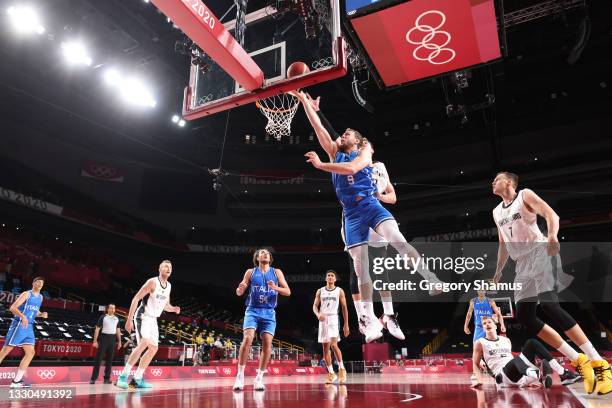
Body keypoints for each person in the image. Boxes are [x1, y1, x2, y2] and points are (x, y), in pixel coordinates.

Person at [295, 91, 441, 343]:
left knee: (398, 239)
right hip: (351, 215)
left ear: (360, 141)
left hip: (371, 207)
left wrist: (320, 166)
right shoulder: (333, 151)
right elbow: (318, 125)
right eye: (343, 133)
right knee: (362, 271)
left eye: (348, 133)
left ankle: (430, 279)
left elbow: (351, 169)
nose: (343, 134)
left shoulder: (364, 155)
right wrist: (303, 102)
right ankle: (370, 320)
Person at [491, 172, 610, 395]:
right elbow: (503, 245)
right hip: (521, 263)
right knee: (525, 316)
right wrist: (497, 274)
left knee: (549, 305)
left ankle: (599, 362)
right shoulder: (496, 211)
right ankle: (579, 360)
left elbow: (550, 214)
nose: (492, 182)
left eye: (497, 178)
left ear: (509, 182)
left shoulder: (524, 195)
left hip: (540, 251)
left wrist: (553, 236)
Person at [116, 260, 180, 389]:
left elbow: (165, 305)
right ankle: (122, 377)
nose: (168, 268)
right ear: (159, 269)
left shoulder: (169, 286)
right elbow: (136, 299)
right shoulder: (152, 282)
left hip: (153, 320)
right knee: (143, 343)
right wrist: (129, 320)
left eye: (170, 267)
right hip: (142, 316)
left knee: (153, 348)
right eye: (165, 266)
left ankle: (137, 379)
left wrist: (173, 309)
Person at [233, 249, 291, 391]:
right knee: (247, 339)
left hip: (269, 313)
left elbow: (288, 292)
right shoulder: (250, 272)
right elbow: (240, 290)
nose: (264, 254)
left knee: (267, 343)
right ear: (257, 257)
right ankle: (239, 376)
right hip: (252, 310)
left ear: (270, 258)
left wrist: (275, 287)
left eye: (267, 253)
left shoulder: (277, 272)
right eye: (261, 252)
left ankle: (259, 378)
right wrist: (239, 290)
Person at [471, 316, 576, 388]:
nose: (487, 324)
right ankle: (538, 374)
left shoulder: (506, 340)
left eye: (489, 322)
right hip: (503, 378)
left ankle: (562, 373)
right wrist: (479, 380)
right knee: (516, 360)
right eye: (484, 324)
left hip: (520, 376)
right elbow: (475, 363)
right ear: (483, 328)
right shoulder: (480, 342)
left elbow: (509, 358)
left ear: (495, 325)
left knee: (532, 342)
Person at [0, 276, 47, 387]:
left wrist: (41, 314)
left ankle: (16, 381)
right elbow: (12, 308)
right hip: (19, 325)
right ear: (33, 283)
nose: (40, 284)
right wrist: (23, 316)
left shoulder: (40, 297)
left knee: (31, 353)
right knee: (5, 352)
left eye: (42, 283)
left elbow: (34, 311)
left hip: (29, 327)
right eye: (38, 282)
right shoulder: (26, 294)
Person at [313, 270, 350, 384]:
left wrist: (346, 324)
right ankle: (331, 373)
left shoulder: (339, 291)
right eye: (328, 275)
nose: (330, 277)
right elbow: (315, 305)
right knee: (325, 348)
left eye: (332, 276)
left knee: (334, 345)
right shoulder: (320, 291)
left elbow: (344, 308)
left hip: (334, 318)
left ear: (335, 279)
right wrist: (318, 314)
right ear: (326, 278)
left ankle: (342, 369)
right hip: (323, 319)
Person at [90, 303, 122, 384]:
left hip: (112, 339)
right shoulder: (103, 317)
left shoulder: (116, 318)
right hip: (104, 339)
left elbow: (118, 331)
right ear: (108, 309)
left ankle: (107, 378)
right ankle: (93, 378)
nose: (112, 310)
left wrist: (120, 342)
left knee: (110, 360)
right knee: (98, 359)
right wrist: (95, 341)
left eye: (114, 308)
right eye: (111, 308)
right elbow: (97, 329)